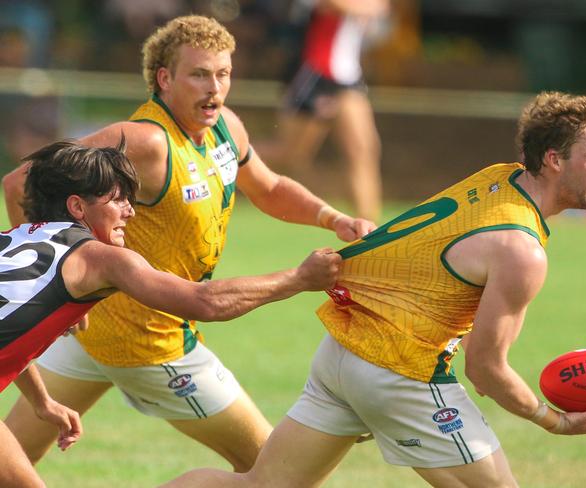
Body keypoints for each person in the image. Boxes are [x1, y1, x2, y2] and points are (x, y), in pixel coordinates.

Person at [160, 91, 586, 488]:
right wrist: (554, 421)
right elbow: (485, 370)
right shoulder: (522, 251)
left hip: (342, 354)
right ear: (553, 160)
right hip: (399, 371)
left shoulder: (500, 177)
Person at [1, 15, 374, 472]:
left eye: (223, 74)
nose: (214, 88)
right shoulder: (145, 141)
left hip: (90, 333)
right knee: (275, 471)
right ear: (164, 78)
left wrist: (332, 218)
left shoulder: (225, 129)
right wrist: (52, 278)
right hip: (152, 344)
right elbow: (22, 180)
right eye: (199, 74)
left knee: (11, 463)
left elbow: (270, 187)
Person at [0, 139, 341, 487]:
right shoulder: (99, 258)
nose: (130, 211)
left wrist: (42, 402)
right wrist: (299, 278)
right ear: (77, 206)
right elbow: (204, 301)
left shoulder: (14, 238)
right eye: (118, 199)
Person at [258, 0, 388, 221]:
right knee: (290, 154)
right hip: (317, 74)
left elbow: (380, 7)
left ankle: (369, 231)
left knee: (364, 150)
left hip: (348, 79)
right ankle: (226, 155)